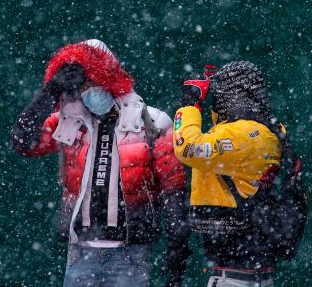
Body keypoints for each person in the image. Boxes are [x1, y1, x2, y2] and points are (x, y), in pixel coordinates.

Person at [10, 39, 190, 287]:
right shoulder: (69, 123)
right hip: (80, 254)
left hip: (130, 256)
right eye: (80, 84)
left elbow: (174, 189)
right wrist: (49, 92)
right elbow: (22, 142)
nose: (87, 89)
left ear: (109, 78)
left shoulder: (153, 122)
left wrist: (177, 250)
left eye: (92, 80)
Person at [173, 60, 285, 287]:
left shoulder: (246, 134)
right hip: (251, 269)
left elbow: (188, 148)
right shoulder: (264, 129)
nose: (216, 100)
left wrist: (190, 105)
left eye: (220, 94)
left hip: (235, 276)